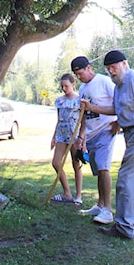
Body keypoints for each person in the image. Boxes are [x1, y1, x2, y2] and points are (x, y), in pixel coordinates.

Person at [80, 50, 134, 239]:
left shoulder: (133, 79)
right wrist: (91, 108)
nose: (111, 72)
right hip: (131, 133)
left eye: (113, 67)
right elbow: (115, 108)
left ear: (124, 63)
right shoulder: (119, 85)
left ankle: (123, 227)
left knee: (125, 179)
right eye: (108, 69)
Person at [69, 55, 118, 225]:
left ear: (89, 68)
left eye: (80, 73)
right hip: (91, 134)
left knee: (103, 168)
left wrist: (118, 122)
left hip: (106, 130)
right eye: (76, 75)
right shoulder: (82, 89)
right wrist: (81, 137)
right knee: (98, 170)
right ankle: (100, 205)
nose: (78, 77)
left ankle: (108, 211)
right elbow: (84, 116)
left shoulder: (104, 82)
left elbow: (119, 105)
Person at [49, 73, 84, 205]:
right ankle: (67, 193)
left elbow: (84, 120)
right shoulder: (60, 101)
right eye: (62, 86)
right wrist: (53, 137)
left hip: (75, 134)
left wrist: (82, 138)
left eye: (67, 86)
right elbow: (58, 119)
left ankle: (78, 196)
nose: (64, 88)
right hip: (62, 134)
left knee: (76, 165)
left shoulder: (80, 100)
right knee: (56, 162)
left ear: (73, 84)